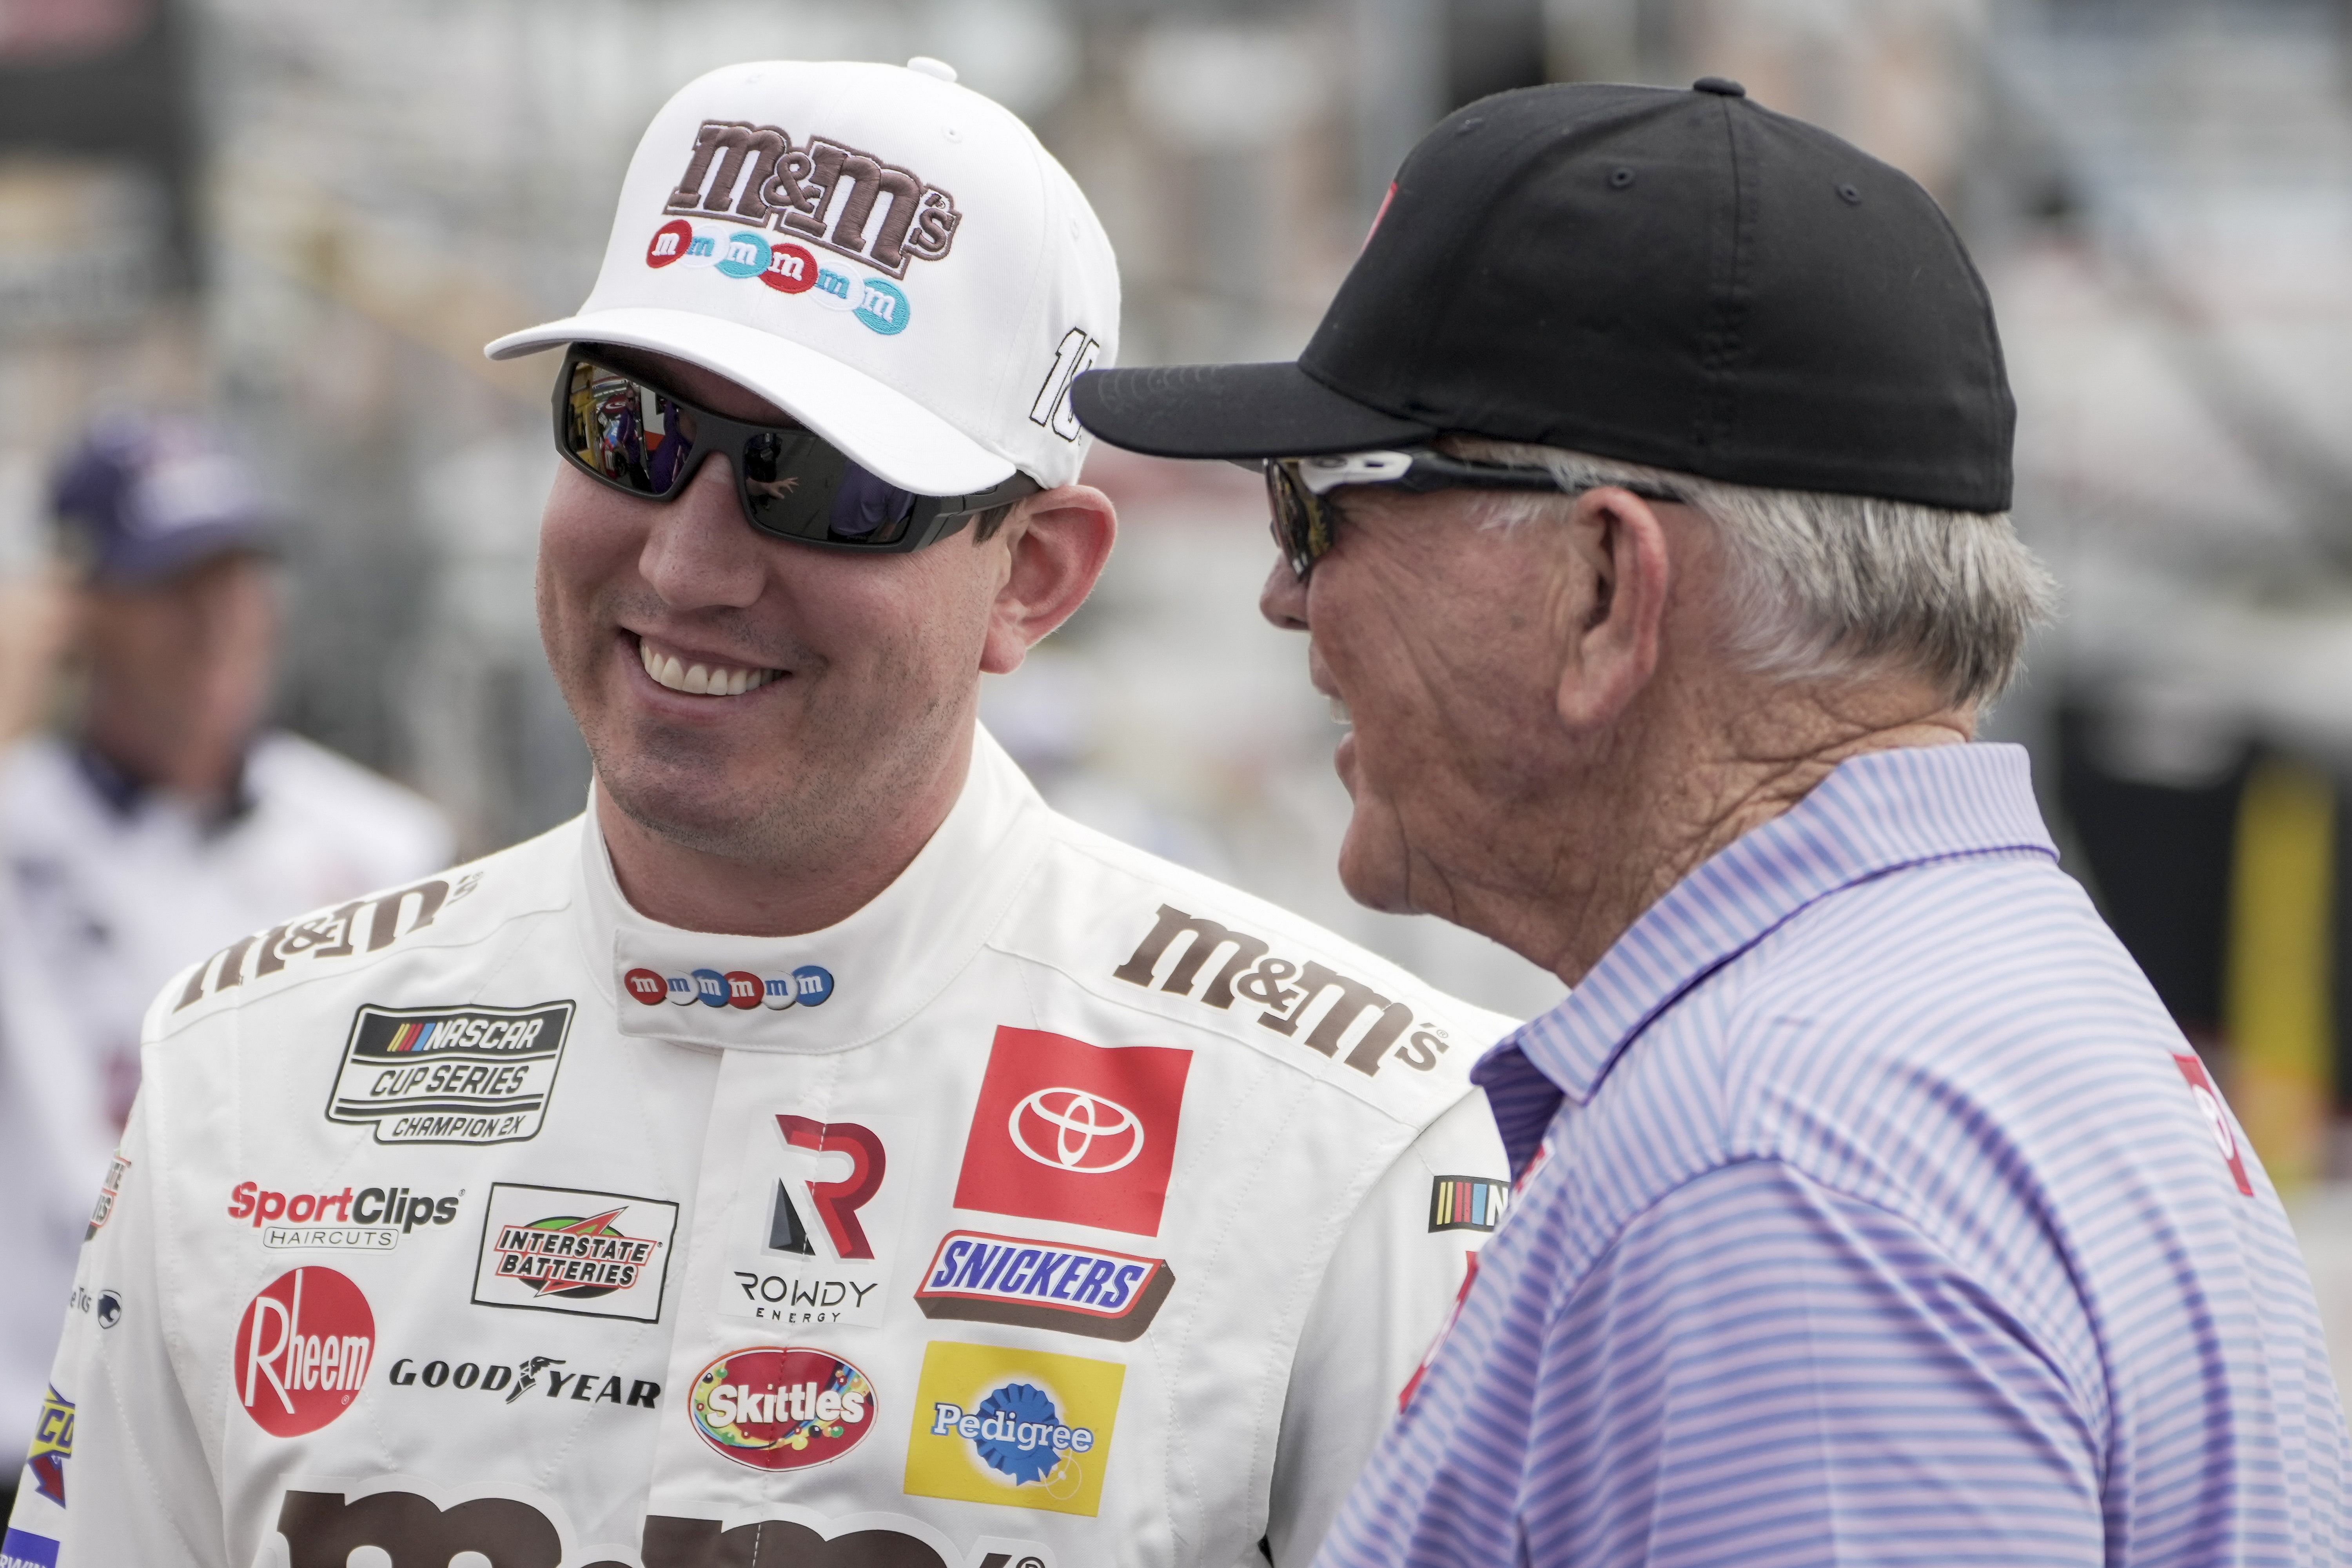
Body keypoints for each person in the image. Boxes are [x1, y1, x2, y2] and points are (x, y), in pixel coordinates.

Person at [4, 59, 1513, 1568]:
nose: (686, 564)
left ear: (1036, 572)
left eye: (821, 486)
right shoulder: (241, 1064)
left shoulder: (1363, 1144)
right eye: (630, 429)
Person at [1073, 78, 2351, 1567]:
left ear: (1607, 587)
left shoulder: (1778, 1167)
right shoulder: (1985, 1011)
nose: (1284, 593)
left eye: (1318, 508)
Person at [0, 413, 452, 1525]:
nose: (218, 622)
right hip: (31, 1440)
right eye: (171, 584)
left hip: (291, 1454)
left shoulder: (385, 845)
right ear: (79, 610)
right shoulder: (16, 824)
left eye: (240, 576)